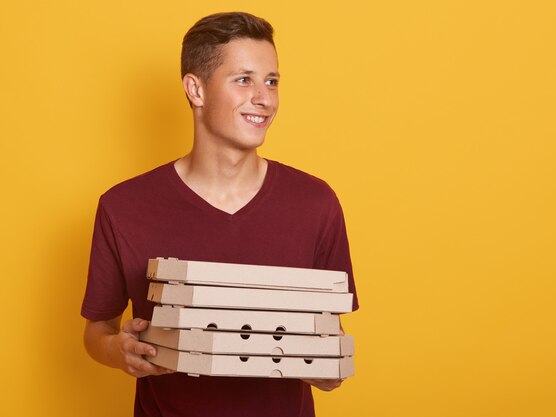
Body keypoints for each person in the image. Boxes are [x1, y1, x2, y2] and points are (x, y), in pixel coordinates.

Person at [81, 11, 359, 417]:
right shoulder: (123, 207)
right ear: (196, 89)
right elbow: (97, 330)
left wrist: (330, 364)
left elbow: (330, 333)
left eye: (272, 81)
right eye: (244, 79)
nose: (265, 98)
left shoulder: (316, 203)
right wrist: (116, 350)